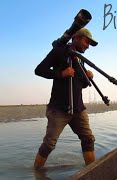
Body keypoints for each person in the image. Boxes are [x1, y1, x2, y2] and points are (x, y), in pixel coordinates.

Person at [34, 28, 98, 169]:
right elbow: (39, 70)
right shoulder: (59, 51)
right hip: (58, 109)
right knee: (49, 145)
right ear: (76, 37)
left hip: (78, 109)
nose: (88, 45)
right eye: (86, 41)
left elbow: (80, 85)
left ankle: (93, 173)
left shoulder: (80, 60)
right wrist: (61, 73)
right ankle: (36, 173)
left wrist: (88, 76)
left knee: (88, 139)